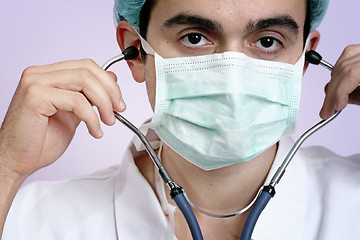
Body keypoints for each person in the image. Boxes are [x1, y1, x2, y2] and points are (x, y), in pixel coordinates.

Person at [1, 0, 360, 239]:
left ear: (306, 57)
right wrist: (7, 169)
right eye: (195, 37)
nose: (231, 79)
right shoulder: (30, 218)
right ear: (136, 52)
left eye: (267, 41)